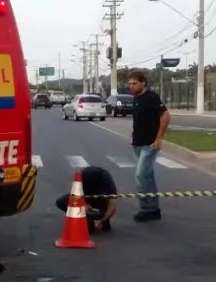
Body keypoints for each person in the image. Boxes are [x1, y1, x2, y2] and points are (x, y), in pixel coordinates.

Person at [126, 70, 169, 222]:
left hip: (149, 144)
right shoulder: (136, 99)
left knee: (140, 175)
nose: (131, 86)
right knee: (148, 176)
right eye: (130, 84)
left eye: (134, 83)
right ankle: (154, 209)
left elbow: (165, 116)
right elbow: (139, 120)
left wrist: (159, 138)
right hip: (137, 143)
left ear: (143, 82)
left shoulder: (151, 97)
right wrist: (133, 135)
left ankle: (145, 208)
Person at [55, 165, 118, 232]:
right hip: (86, 199)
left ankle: (101, 219)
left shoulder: (107, 182)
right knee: (61, 202)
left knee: (104, 210)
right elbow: (75, 197)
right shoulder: (83, 179)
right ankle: (85, 219)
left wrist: (101, 220)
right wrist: (83, 207)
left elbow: (112, 206)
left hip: (101, 203)